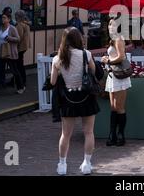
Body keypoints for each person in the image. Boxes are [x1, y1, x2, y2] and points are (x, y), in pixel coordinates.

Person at [50, 27, 99, 175]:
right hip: (86, 97)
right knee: (89, 132)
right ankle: (86, 164)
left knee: (65, 134)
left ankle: (62, 165)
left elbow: (52, 82)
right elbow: (94, 71)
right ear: (78, 39)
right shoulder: (86, 54)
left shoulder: (58, 58)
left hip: (68, 98)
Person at [101, 19, 131, 147]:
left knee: (119, 106)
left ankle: (120, 135)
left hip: (120, 75)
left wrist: (108, 60)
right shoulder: (112, 40)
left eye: (113, 24)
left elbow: (121, 56)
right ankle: (112, 134)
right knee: (113, 106)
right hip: (112, 75)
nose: (110, 27)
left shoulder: (119, 39)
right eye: (109, 24)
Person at [0, 13, 25, 96]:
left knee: (14, 71)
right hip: (0, 53)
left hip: (9, 53)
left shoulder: (12, 28)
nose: (2, 19)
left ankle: (21, 87)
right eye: (2, 18)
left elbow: (18, 39)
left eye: (4, 18)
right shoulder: (0, 28)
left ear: (9, 19)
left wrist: (8, 38)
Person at [15, 10, 30, 91]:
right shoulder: (26, 24)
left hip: (20, 47)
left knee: (19, 65)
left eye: (16, 15)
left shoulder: (20, 25)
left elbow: (18, 37)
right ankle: (22, 81)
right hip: (24, 47)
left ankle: (22, 82)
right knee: (20, 65)